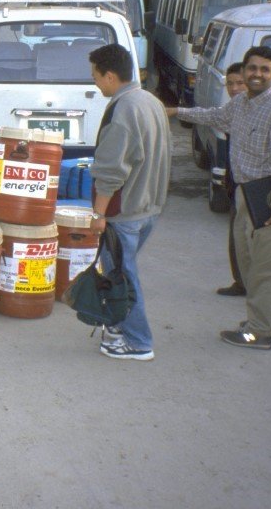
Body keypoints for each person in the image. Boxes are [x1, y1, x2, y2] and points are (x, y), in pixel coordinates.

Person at [167, 46, 271, 351]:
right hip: (244, 192)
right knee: (252, 264)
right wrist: (175, 111)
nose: (257, 74)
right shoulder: (241, 104)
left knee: (265, 268)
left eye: (264, 69)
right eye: (252, 69)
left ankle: (259, 333)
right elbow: (213, 115)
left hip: (268, 198)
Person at [86, 43, 171, 362]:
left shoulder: (123, 111)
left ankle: (139, 342)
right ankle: (121, 326)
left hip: (125, 212)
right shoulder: (150, 101)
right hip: (148, 206)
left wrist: (99, 214)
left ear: (110, 75)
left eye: (95, 75)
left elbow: (111, 171)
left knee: (122, 277)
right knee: (120, 272)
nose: (94, 82)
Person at [215, 62, 248, 297]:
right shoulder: (233, 108)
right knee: (236, 237)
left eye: (240, 83)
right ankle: (241, 281)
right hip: (235, 180)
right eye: (230, 83)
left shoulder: (255, 110)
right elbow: (209, 116)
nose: (234, 88)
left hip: (252, 186)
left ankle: (250, 285)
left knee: (246, 239)